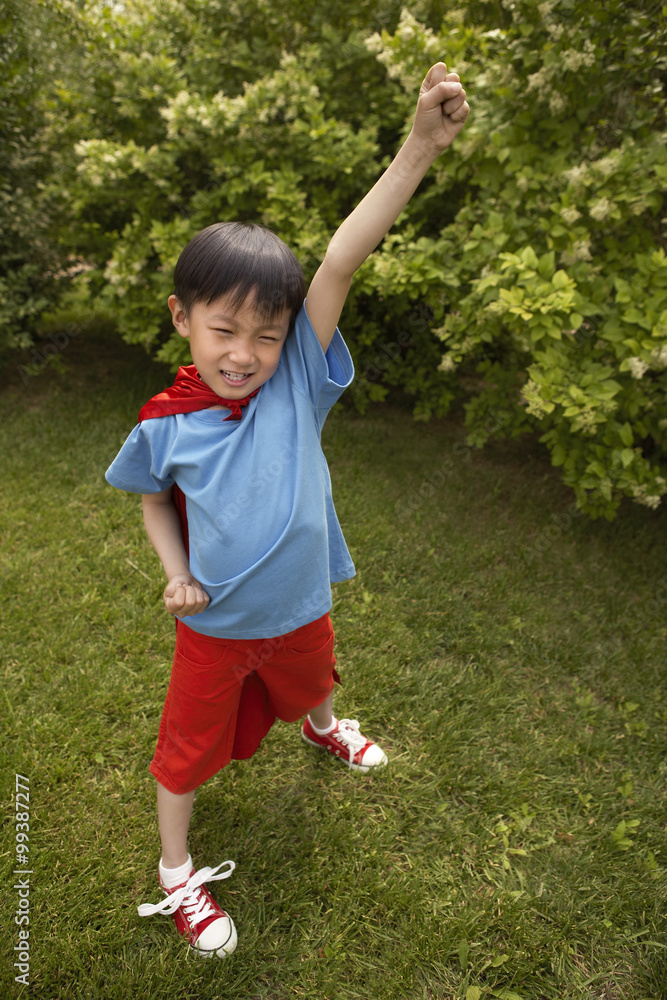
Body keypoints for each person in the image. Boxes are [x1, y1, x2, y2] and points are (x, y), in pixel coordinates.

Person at [105, 62, 469, 959]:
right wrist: (176, 573)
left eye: (267, 334)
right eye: (224, 330)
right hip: (218, 626)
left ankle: (321, 729)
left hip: (303, 606)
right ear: (182, 318)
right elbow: (154, 501)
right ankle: (176, 873)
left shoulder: (296, 382)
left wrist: (418, 148)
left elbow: (344, 254)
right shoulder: (165, 425)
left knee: (314, 684)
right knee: (185, 751)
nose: (246, 353)